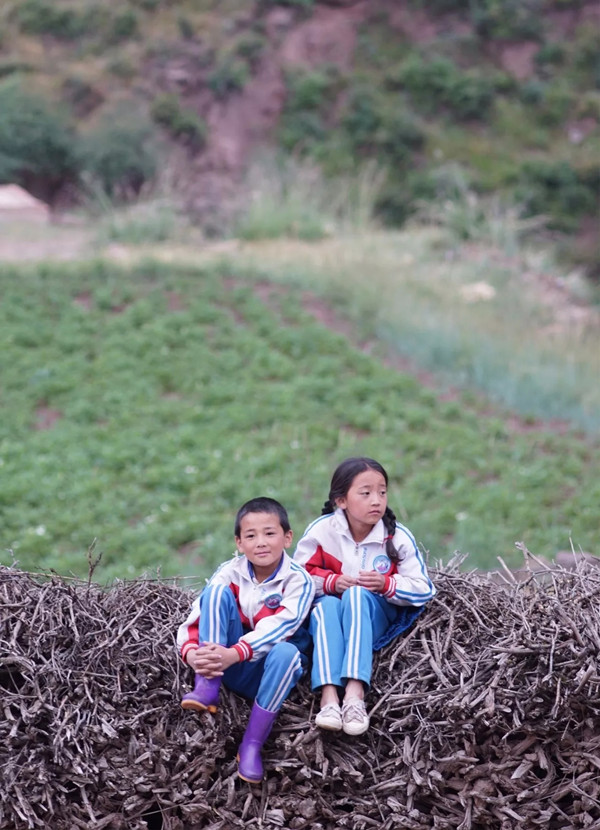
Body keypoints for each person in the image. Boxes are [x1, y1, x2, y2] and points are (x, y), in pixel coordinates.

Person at [293, 457, 436, 736]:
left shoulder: (396, 536)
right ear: (341, 501)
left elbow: (424, 588)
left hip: (377, 615)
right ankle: (329, 698)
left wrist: (386, 584)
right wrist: (332, 582)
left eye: (382, 492)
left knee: (357, 595)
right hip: (331, 612)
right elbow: (295, 582)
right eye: (366, 492)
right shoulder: (321, 532)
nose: (376, 500)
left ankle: (355, 696)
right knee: (325, 609)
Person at [177, 496, 315, 783]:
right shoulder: (230, 572)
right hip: (223, 664)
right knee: (214, 594)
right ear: (239, 543)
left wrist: (235, 653)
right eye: (250, 536)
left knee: (287, 653)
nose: (260, 542)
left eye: (270, 533)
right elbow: (199, 614)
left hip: (267, 673)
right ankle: (206, 687)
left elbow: (281, 627)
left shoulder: (299, 581)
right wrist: (191, 654)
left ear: (287, 538)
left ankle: (251, 745)